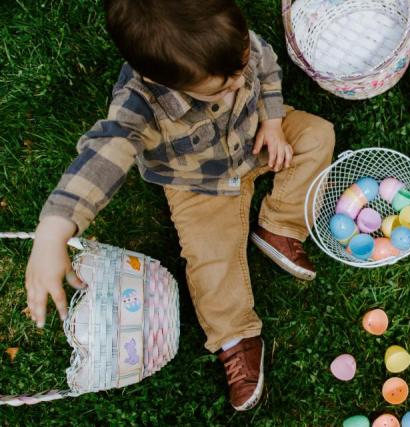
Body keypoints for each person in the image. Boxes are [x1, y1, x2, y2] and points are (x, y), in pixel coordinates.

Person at [23, 0, 335, 411]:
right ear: (158, 78)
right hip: (197, 183)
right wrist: (53, 229)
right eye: (220, 88)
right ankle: (234, 336)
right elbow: (103, 156)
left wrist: (274, 121)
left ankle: (280, 225)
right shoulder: (139, 105)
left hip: (257, 137)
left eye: (241, 69)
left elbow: (267, 67)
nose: (238, 85)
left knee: (317, 135)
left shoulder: (232, 46)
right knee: (210, 259)